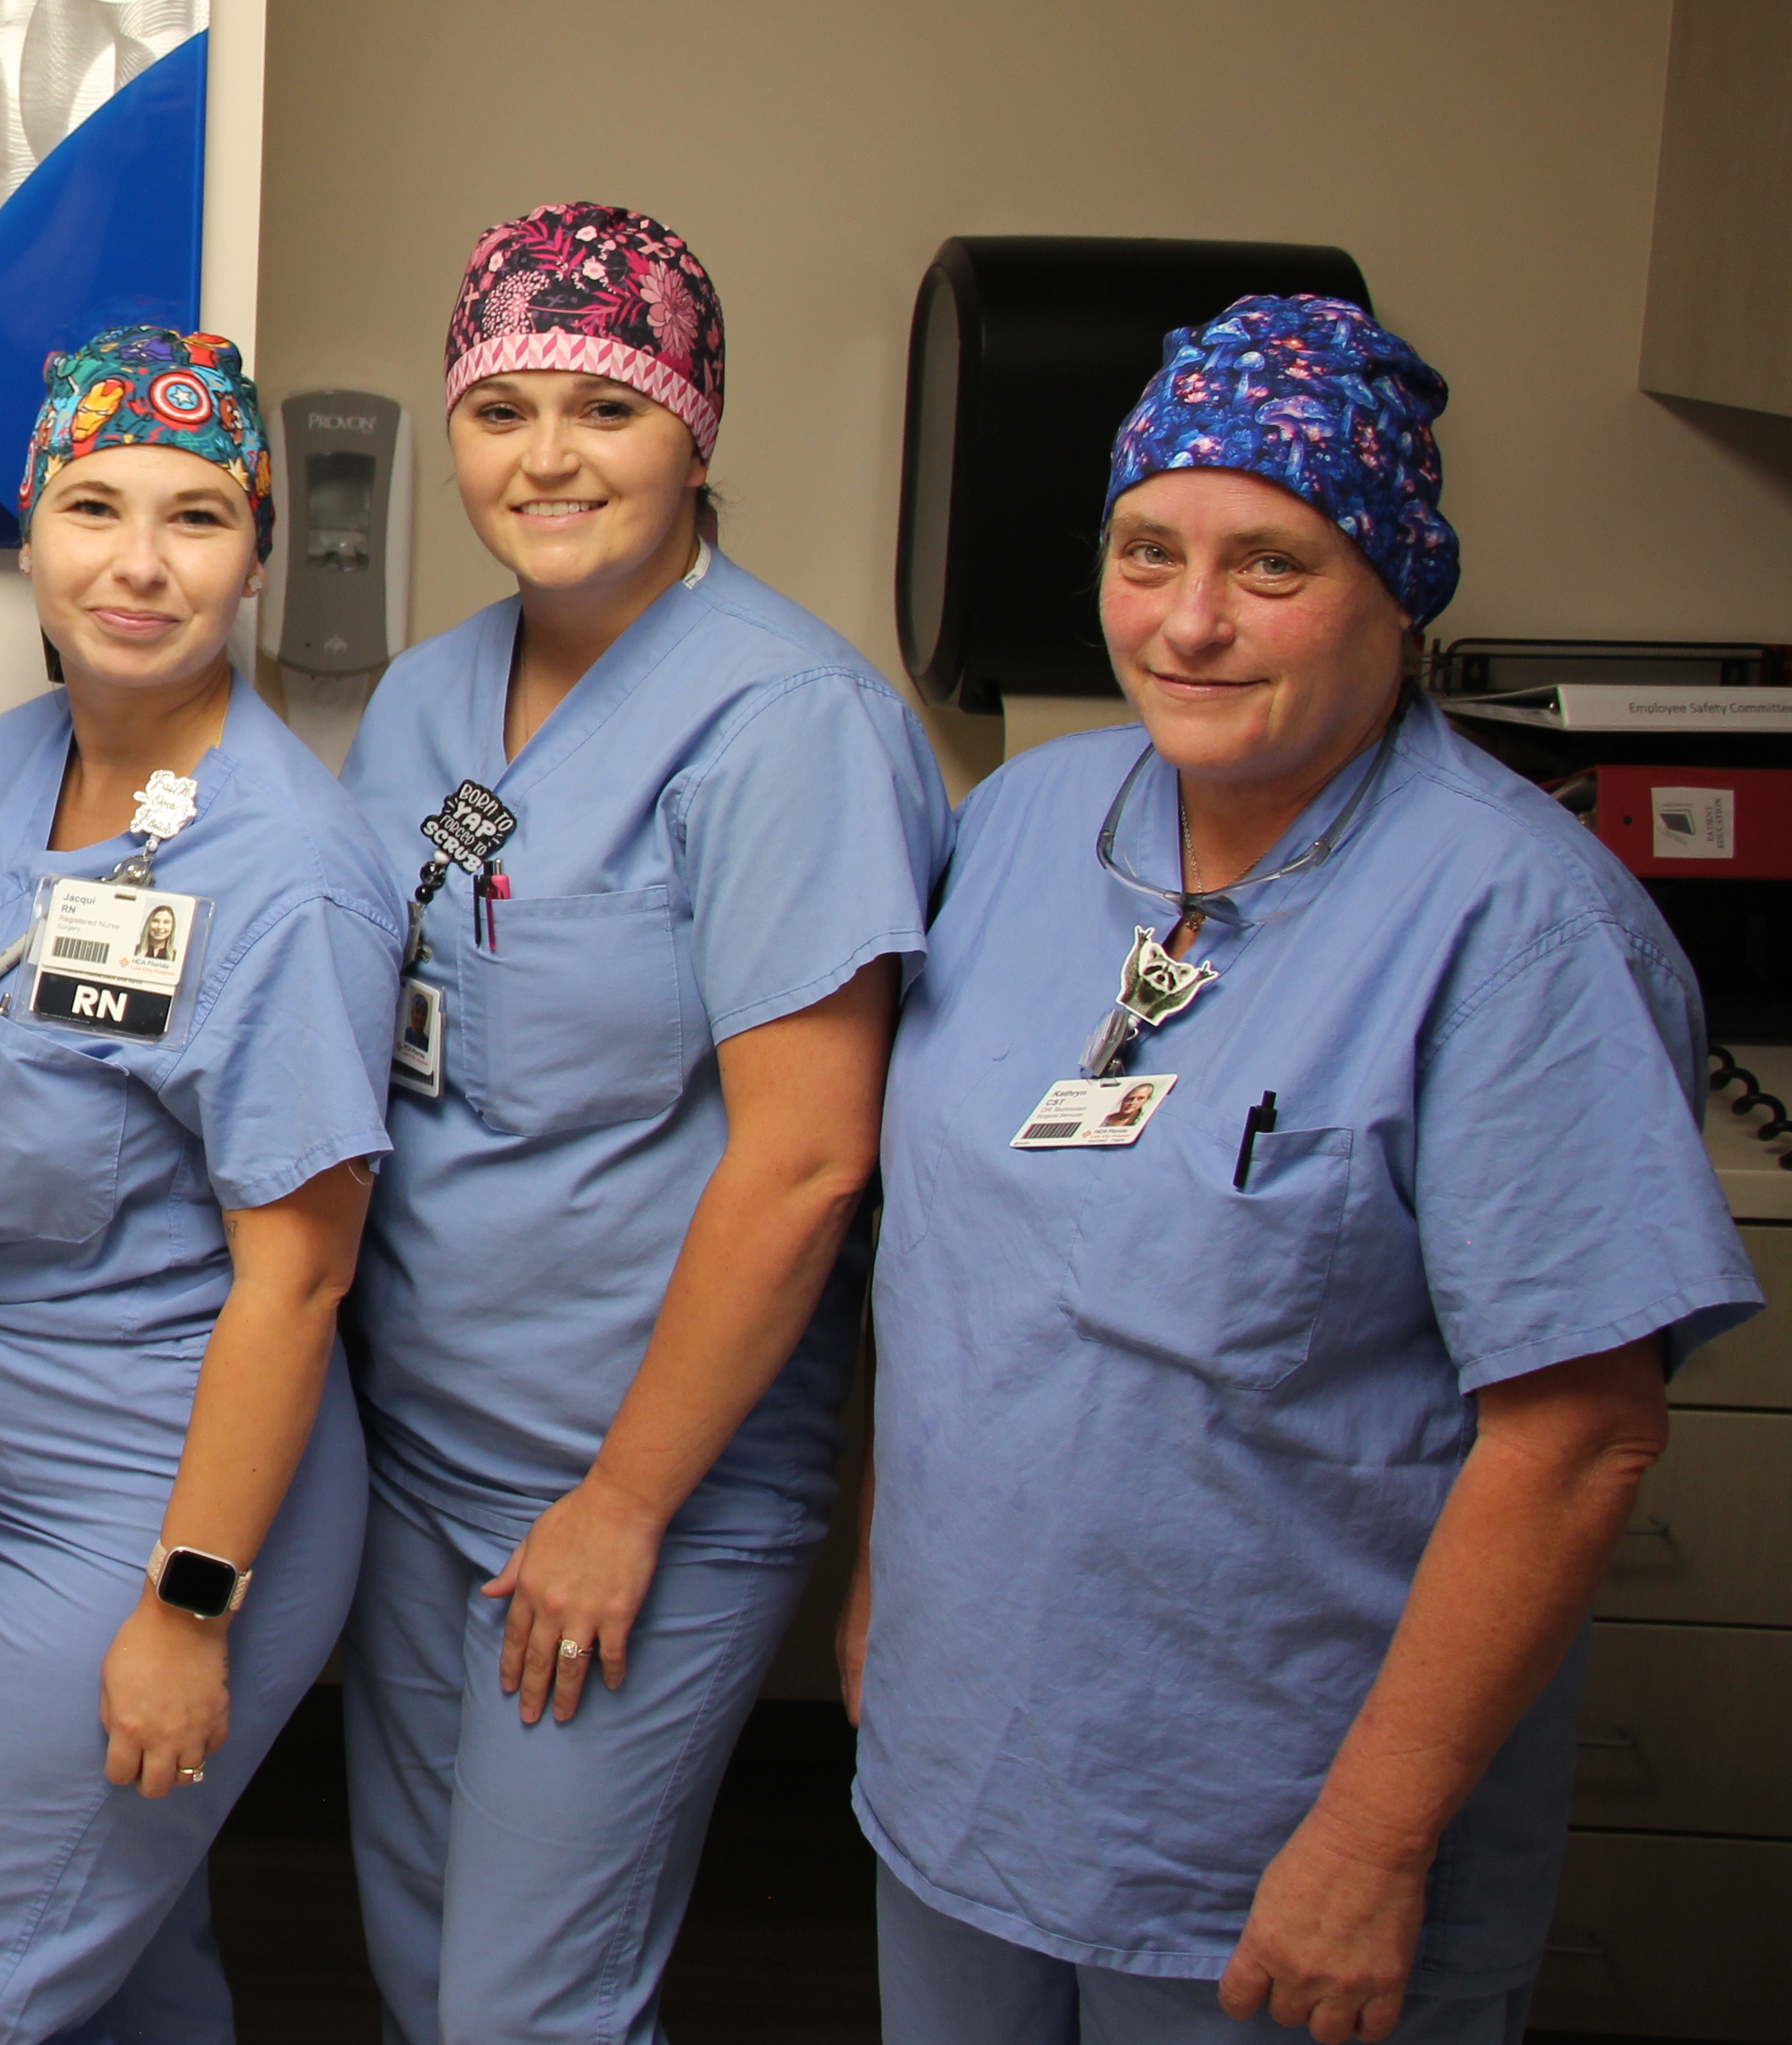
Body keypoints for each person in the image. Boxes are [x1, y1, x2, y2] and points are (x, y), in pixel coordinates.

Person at [846, 295, 1762, 2045]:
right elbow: (958, 1261)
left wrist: (1366, 1846)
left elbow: (1578, 1440)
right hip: (972, 1769)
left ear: (1399, 590)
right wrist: (892, 1589)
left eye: (1272, 565)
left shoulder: (1517, 927)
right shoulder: (1034, 825)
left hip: (1269, 1834)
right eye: (1146, 551)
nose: (1188, 622)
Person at [338, 202, 951, 2045]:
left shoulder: (786, 723)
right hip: (415, 1449)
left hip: (633, 1489)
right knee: (418, 1956)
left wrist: (621, 1502)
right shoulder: (425, 693)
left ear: (692, 428)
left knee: (531, 2003)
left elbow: (807, 1155)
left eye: (598, 408)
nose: (542, 458)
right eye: (496, 406)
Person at [0, 328, 401, 2045]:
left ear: (256, 549)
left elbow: (296, 1280)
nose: (140, 564)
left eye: (197, 517)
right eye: (94, 506)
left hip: (164, 1507)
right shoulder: (7, 766)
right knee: (123, 1981)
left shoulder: (286, 869)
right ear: (28, 531)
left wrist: (185, 1607)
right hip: (12, 1472)